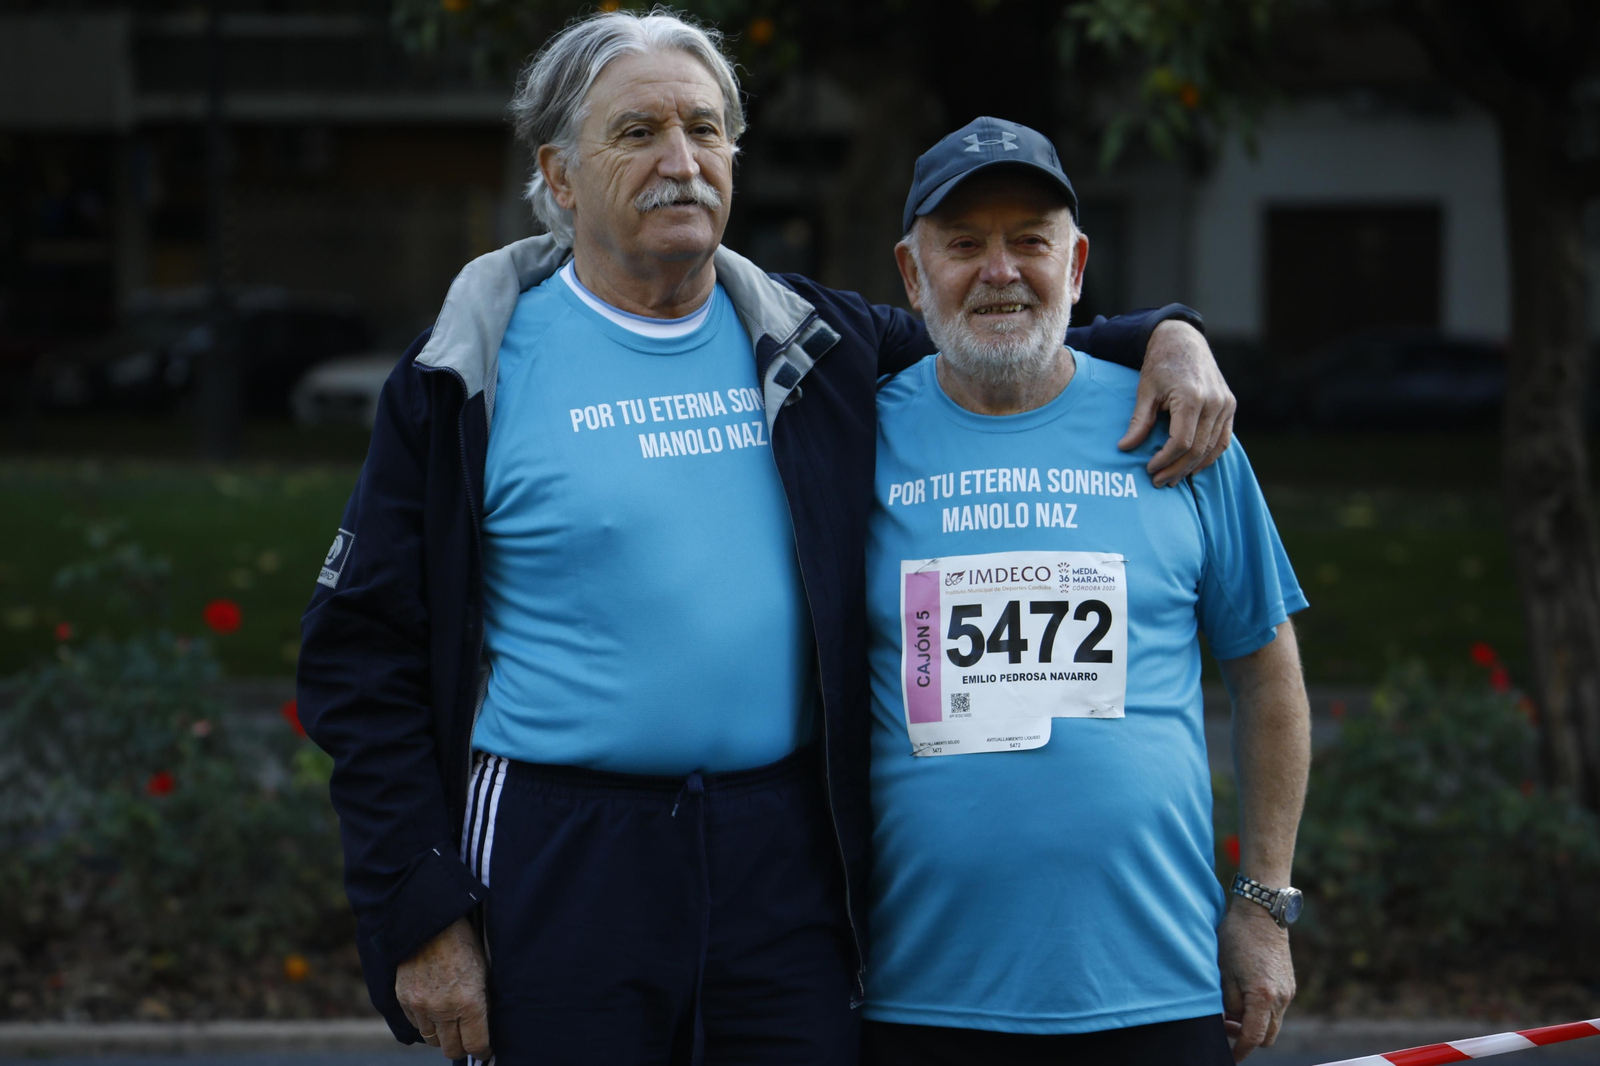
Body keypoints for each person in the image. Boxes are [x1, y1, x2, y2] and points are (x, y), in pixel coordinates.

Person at [296, 12, 1236, 1066]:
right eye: (638, 131)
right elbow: (358, 657)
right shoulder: (466, 376)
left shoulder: (811, 344)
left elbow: (996, 330)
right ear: (559, 176)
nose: (681, 161)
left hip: (783, 859)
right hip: (564, 858)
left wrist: (1169, 332)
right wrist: (421, 910)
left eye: (706, 128)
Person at [860, 117, 1311, 1066]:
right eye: (965, 245)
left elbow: (1269, 680)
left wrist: (1264, 904)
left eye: (1031, 241)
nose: (1000, 271)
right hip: (915, 996)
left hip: (1155, 987)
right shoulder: (849, 444)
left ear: (1077, 265)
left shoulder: (1181, 430)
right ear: (911, 273)